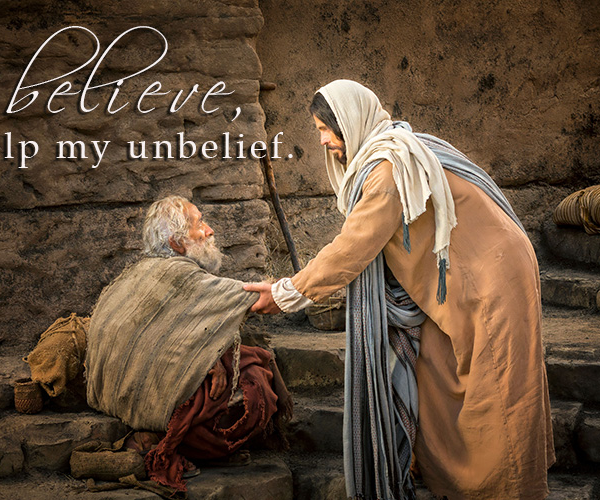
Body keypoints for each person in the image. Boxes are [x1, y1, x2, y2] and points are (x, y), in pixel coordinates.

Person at [245, 80, 555, 499]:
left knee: (498, 388)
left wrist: (285, 293)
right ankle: (459, 481)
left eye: (326, 130)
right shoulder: (393, 151)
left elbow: (351, 249)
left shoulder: (387, 168)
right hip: (465, 277)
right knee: (437, 368)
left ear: (350, 124)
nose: (322, 141)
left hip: (493, 278)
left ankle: (512, 488)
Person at [85, 195, 292, 495]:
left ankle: (152, 432)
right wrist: (296, 290)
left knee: (242, 358)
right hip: (157, 401)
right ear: (177, 243)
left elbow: (174, 340)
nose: (209, 231)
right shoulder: (186, 280)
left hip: (113, 400)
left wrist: (210, 361)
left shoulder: (132, 276)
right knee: (257, 382)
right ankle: (171, 440)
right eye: (199, 224)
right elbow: (252, 295)